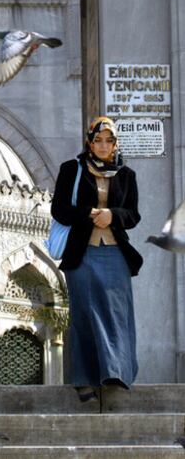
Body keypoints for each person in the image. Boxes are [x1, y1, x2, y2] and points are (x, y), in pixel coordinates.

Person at [51, 116, 143, 402]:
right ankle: (84, 380)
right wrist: (90, 214)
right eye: (98, 140)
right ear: (90, 142)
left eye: (109, 141)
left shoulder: (126, 175)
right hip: (82, 252)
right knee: (84, 313)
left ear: (115, 144)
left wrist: (113, 216)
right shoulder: (72, 169)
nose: (104, 146)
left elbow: (133, 215)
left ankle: (114, 373)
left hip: (115, 252)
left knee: (117, 314)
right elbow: (59, 209)